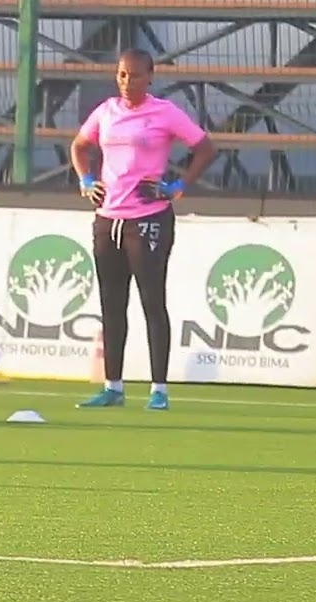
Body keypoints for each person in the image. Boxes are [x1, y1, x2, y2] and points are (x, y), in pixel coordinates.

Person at [70, 48, 217, 411]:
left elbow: (204, 147)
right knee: (112, 303)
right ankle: (113, 386)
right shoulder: (106, 111)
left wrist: (177, 187)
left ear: (150, 76)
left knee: (152, 301)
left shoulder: (164, 112)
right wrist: (86, 179)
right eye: (121, 74)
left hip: (148, 217)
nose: (126, 82)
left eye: (134, 75)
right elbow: (79, 145)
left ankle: (159, 389)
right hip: (108, 218)